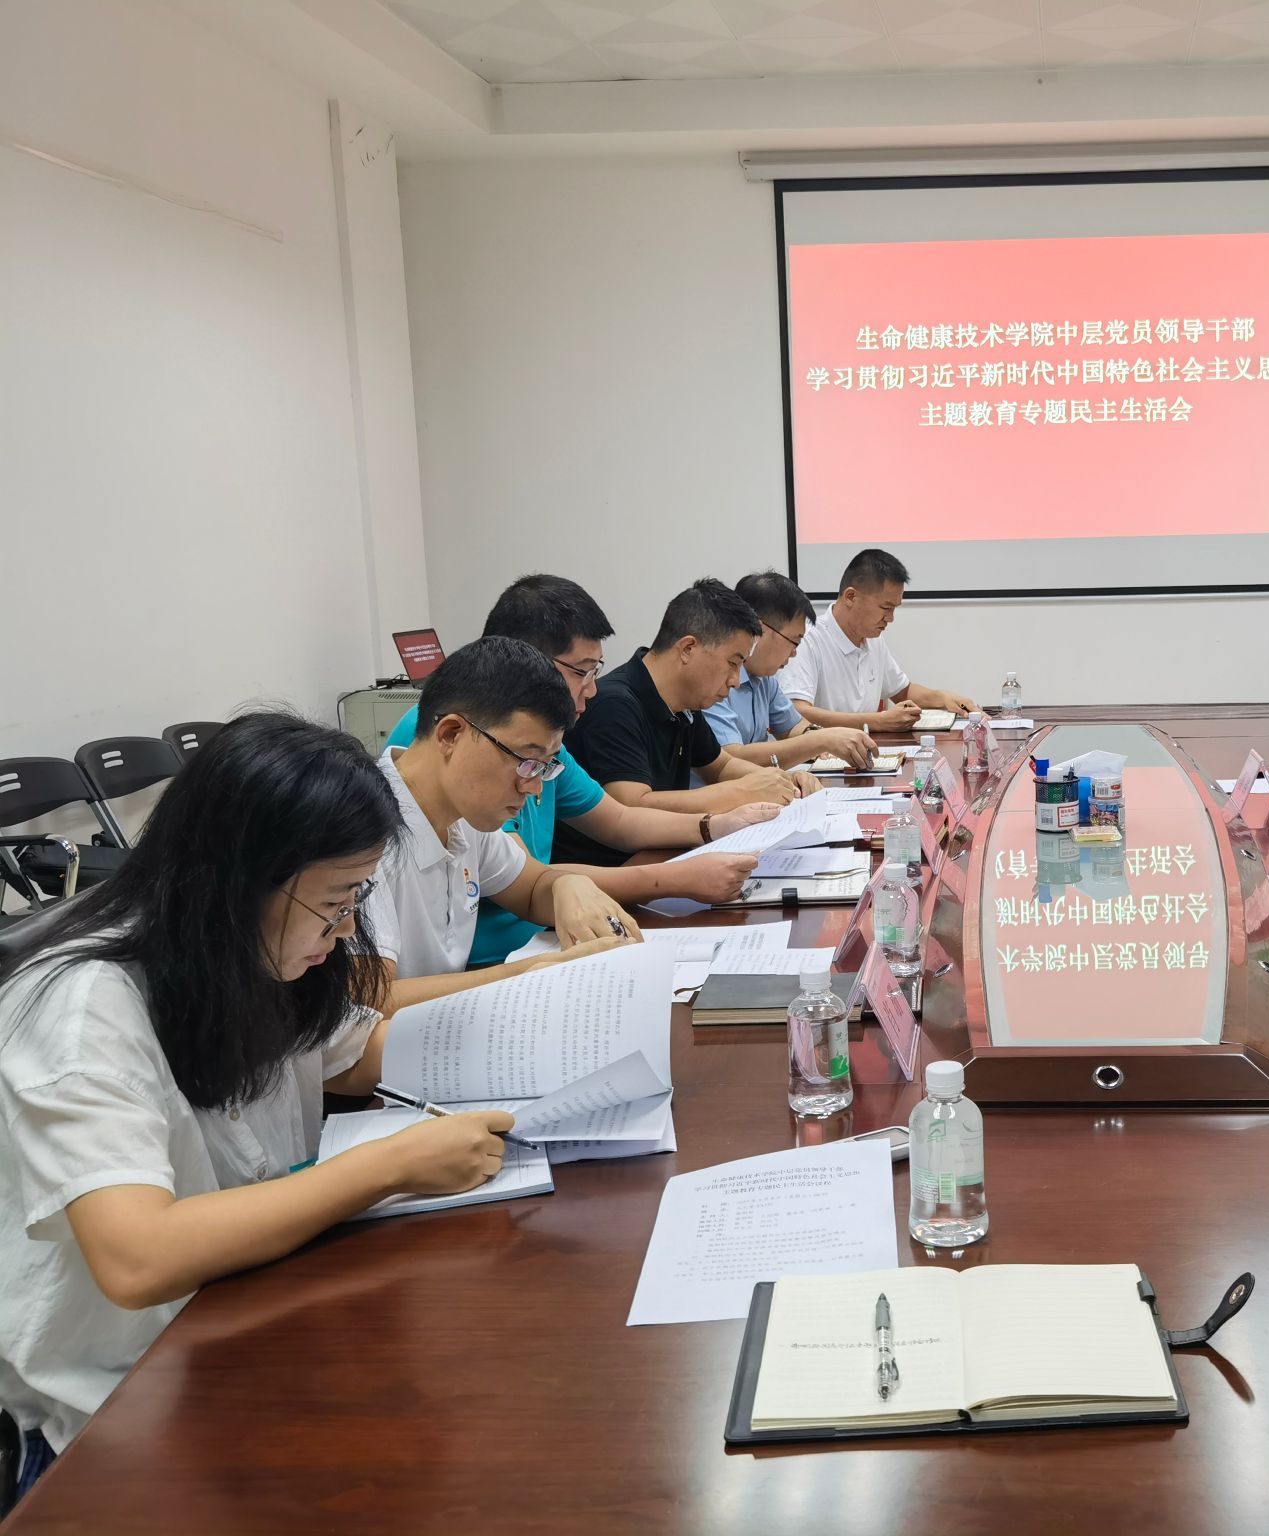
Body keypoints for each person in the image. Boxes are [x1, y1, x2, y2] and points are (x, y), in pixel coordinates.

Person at [0, 714, 516, 1495]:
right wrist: (389, 1167)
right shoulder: (83, 1007)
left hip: (249, 1317)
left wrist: (547, 1039)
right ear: (242, 880)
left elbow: (355, 1054)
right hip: (119, 1409)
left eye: (356, 897)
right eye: (335, 900)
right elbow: (138, 1257)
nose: (346, 926)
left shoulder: (257, 947)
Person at [385, 575, 776, 964]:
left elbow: (612, 824)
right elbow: (379, 996)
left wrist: (713, 826)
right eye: (582, 671)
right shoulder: (454, 748)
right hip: (499, 960)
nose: (592, 689)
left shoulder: (532, 752)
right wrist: (678, 876)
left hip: (537, 940)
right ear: (522, 663)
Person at [364, 636, 641, 1010]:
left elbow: (531, 888)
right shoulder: (363, 830)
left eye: (544, 766)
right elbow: (370, 999)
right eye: (525, 760)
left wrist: (567, 884)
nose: (533, 786)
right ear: (451, 734)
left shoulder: (465, 817)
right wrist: (526, 974)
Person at [556, 580, 823, 869]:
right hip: (613, 872)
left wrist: (781, 782)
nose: (735, 681)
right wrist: (740, 792)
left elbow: (720, 766)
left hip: (665, 854)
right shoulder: (614, 703)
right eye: (732, 663)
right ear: (688, 648)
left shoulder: (686, 704)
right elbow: (631, 805)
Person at [781, 548, 976, 731]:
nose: (890, 618)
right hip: (820, 754)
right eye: (885, 608)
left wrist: (942, 698)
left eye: (894, 609)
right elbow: (797, 712)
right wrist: (877, 721)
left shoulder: (872, 639)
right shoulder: (807, 640)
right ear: (851, 597)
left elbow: (902, 691)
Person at [706, 571, 880, 772]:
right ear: (760, 629)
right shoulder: (715, 678)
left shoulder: (764, 678)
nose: (795, 653)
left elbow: (792, 727)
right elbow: (730, 759)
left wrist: (818, 736)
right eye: (794, 642)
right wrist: (821, 740)